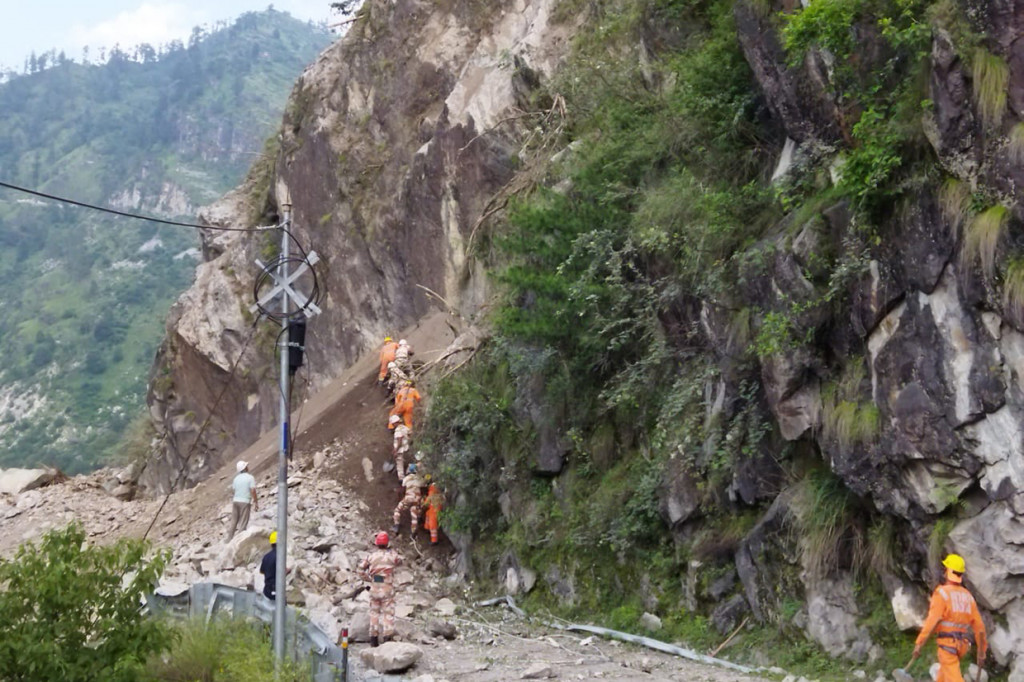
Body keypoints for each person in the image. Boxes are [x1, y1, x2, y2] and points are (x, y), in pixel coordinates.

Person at [908, 553, 987, 682]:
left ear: (947, 571)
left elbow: (931, 621)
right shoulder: (968, 597)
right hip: (962, 646)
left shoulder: (942, 593)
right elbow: (979, 627)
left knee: (954, 678)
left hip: (947, 646)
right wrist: (982, 652)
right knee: (943, 676)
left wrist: (919, 643)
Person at [357, 531, 403, 647]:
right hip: (387, 587)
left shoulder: (371, 556)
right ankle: (387, 639)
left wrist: (369, 579)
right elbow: (400, 561)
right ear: (387, 543)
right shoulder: (392, 555)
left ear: (376, 543)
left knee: (374, 613)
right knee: (388, 613)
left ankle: (373, 639)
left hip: (375, 587)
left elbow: (360, 569)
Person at [226, 460, 257, 540]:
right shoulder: (250, 477)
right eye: (246, 466)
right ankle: (240, 540)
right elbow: (253, 490)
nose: (248, 467)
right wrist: (256, 502)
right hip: (245, 502)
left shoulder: (236, 479)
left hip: (236, 501)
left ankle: (229, 539)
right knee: (243, 522)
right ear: (245, 468)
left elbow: (234, 490)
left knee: (234, 521)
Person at [392, 463, 425, 536]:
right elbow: (424, 484)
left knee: (398, 510)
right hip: (417, 499)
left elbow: (403, 486)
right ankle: (413, 530)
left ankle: (396, 525)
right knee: (414, 512)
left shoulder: (406, 478)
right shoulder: (419, 478)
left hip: (408, 498)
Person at [259, 531, 291, 601]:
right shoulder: (280, 556)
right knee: (280, 606)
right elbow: (281, 574)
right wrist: (287, 571)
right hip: (276, 589)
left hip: (267, 588)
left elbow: (262, 571)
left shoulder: (266, 556)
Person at [422, 476, 443, 545]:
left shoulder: (432, 492)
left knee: (432, 524)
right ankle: (426, 528)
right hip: (434, 510)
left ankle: (434, 540)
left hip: (434, 511)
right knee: (427, 515)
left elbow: (427, 502)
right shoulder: (439, 493)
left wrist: (423, 504)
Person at [390, 414, 412, 479]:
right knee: (407, 460)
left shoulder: (398, 430)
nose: (393, 425)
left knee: (399, 463)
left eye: (393, 424)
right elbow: (410, 434)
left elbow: (399, 440)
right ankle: (409, 473)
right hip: (406, 448)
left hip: (400, 449)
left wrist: (395, 450)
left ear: (395, 423)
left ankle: (401, 478)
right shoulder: (404, 427)